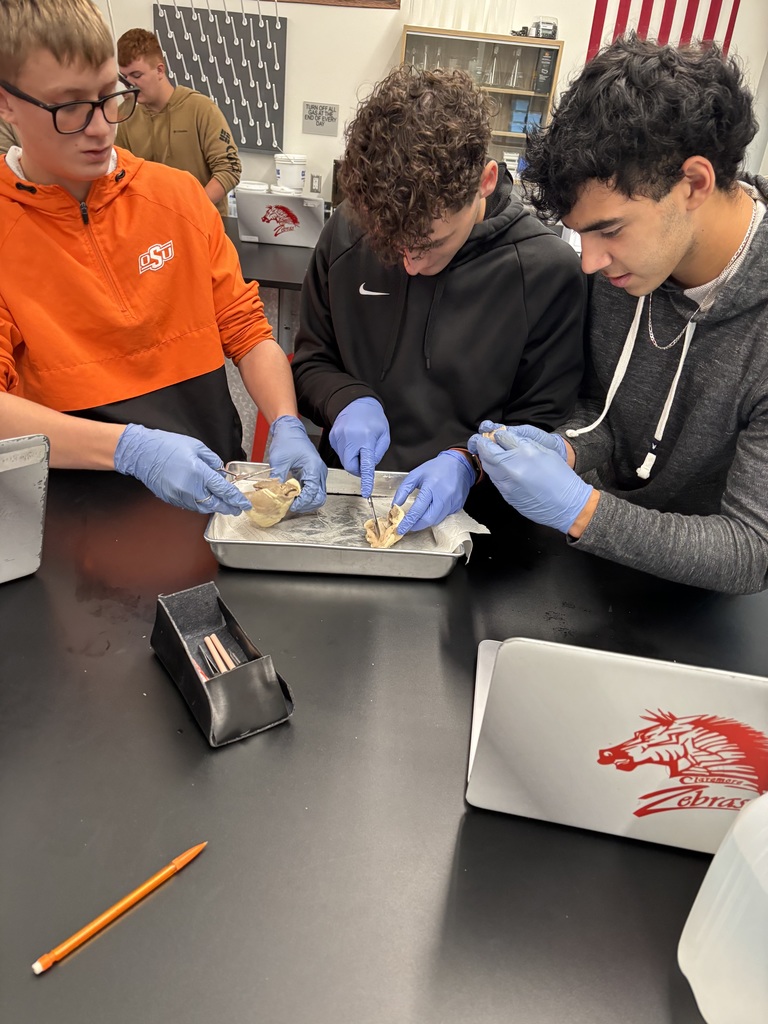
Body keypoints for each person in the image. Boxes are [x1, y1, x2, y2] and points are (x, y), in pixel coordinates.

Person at [0, 0, 325, 518]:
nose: (101, 127)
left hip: (215, 499)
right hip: (78, 516)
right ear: (7, 104)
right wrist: (129, 449)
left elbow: (245, 329)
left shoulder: (177, 198)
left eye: (110, 95)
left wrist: (285, 420)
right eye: (70, 107)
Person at [469, 34, 768, 594]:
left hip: (708, 611)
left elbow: (753, 549)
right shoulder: (624, 270)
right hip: (592, 576)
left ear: (695, 183)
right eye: (581, 234)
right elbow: (608, 415)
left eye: (608, 230)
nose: (590, 263)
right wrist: (568, 447)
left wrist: (582, 510)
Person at [291, 65, 586, 536]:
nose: (409, 264)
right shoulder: (347, 230)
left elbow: (544, 431)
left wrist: (468, 462)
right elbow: (310, 361)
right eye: (391, 245)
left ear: (485, 181)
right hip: (344, 501)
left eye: (430, 243)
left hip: (483, 522)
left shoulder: (546, 271)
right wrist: (344, 400)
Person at [116, 27, 240, 217]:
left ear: (159, 70)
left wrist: (190, 210)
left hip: (202, 225)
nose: (130, 84)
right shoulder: (126, 115)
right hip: (151, 228)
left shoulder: (201, 108)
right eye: (125, 77)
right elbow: (118, 176)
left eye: (137, 75)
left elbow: (229, 169)